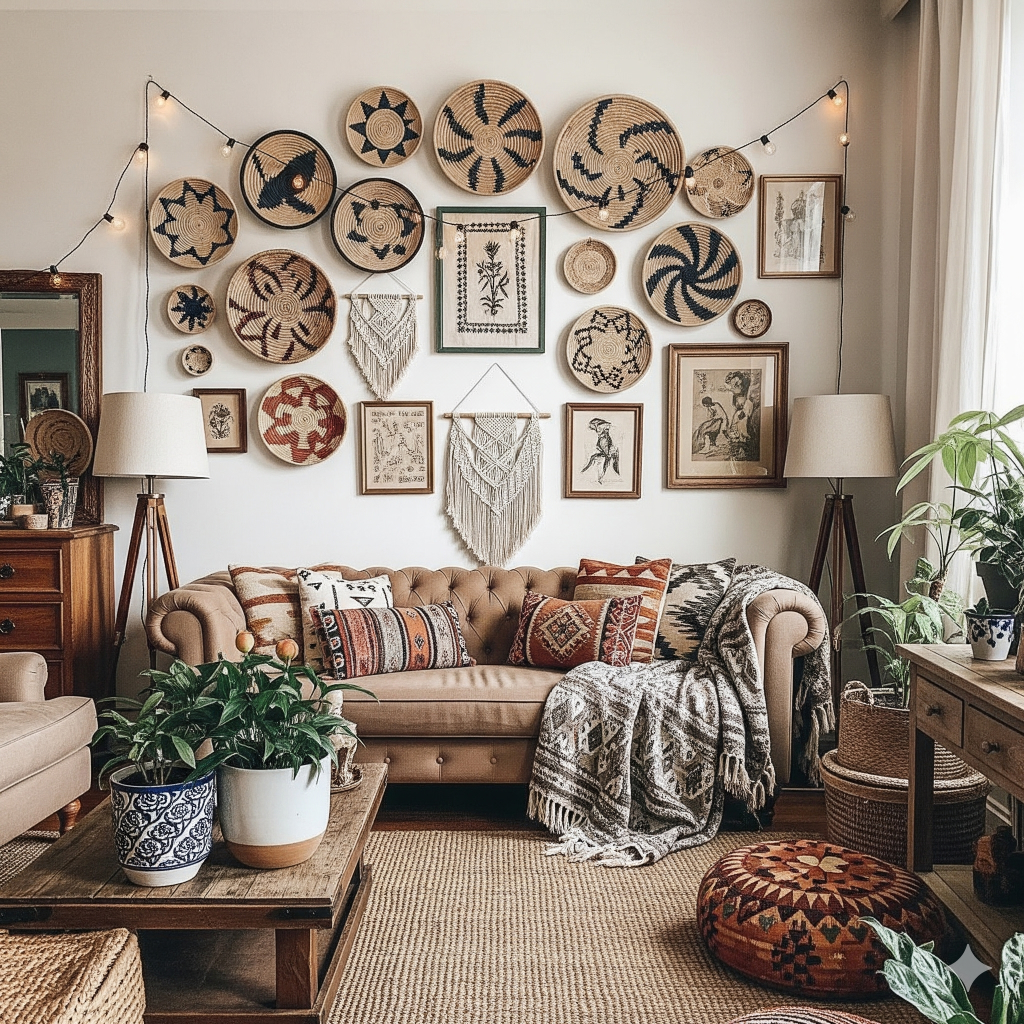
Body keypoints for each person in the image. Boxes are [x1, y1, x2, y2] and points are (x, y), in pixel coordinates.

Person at [580, 417, 620, 483]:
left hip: (606, 447)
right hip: (604, 445)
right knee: (593, 458)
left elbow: (605, 436)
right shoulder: (601, 430)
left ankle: (601, 477)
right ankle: (586, 471)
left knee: (606, 462)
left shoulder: (603, 428)